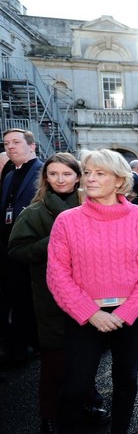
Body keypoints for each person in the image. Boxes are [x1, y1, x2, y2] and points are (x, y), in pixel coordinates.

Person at [46, 148, 138, 434]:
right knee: (75, 386)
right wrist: (91, 313)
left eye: (100, 173)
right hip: (84, 315)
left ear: (119, 180)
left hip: (130, 314)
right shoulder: (67, 220)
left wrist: (126, 312)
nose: (91, 178)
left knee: (126, 380)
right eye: (88, 172)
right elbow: (57, 275)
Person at [8, 153, 110, 434]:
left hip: (92, 295)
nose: (60, 179)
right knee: (55, 361)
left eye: (67, 173)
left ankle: (88, 400)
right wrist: (54, 239)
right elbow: (16, 251)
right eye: (53, 174)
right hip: (51, 297)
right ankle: (49, 416)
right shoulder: (34, 212)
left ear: (78, 176)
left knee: (87, 356)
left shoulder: (94, 206)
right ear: (46, 178)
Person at [0, 128, 43, 368]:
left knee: (30, 297)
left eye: (16, 142)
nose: (10, 147)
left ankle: (31, 344)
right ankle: (22, 345)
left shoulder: (43, 171)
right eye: (6, 143)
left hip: (32, 245)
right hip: (9, 246)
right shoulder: (8, 176)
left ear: (32, 146)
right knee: (15, 296)